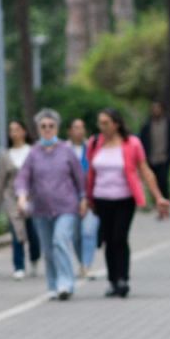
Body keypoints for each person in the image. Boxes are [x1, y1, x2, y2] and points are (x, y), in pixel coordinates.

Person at [87, 108, 170, 299]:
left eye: (106, 123)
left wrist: (158, 197)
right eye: (100, 123)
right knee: (108, 239)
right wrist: (88, 197)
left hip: (125, 198)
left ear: (116, 124)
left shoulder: (132, 143)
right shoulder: (94, 143)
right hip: (101, 198)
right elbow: (90, 172)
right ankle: (112, 280)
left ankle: (123, 279)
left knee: (120, 237)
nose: (102, 127)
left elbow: (145, 170)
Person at [15, 109, 86, 301]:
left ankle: (66, 283)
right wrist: (22, 197)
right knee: (48, 249)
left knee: (60, 241)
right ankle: (53, 285)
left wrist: (83, 198)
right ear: (38, 129)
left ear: (57, 128)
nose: (47, 129)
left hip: (66, 207)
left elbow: (79, 178)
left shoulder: (66, 150)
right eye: (43, 126)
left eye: (51, 126)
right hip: (41, 209)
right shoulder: (33, 153)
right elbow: (23, 178)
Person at [0, 120, 40, 279]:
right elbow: (0, 182)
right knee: (17, 230)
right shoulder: (5, 155)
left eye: (17, 129)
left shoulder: (33, 151)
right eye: (11, 130)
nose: (14, 133)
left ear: (24, 131)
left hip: (32, 197)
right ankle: (19, 266)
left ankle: (35, 257)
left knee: (33, 232)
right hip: (12, 197)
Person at [68, 118, 100, 280]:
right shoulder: (64, 150)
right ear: (69, 131)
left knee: (88, 231)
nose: (79, 131)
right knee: (75, 235)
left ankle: (86, 265)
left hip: (91, 196)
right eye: (75, 128)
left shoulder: (92, 148)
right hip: (70, 198)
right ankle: (82, 262)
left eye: (81, 127)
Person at [139, 100, 170, 201]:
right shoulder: (147, 126)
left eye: (158, 108)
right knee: (153, 181)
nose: (156, 110)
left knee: (163, 181)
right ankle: (156, 201)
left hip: (164, 158)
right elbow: (142, 142)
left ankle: (166, 200)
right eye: (154, 108)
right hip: (151, 158)